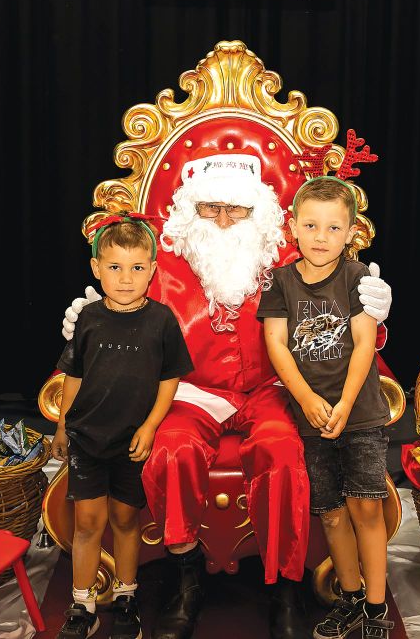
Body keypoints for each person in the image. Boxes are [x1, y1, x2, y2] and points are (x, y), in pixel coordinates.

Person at [61, 149, 394, 639]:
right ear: (188, 212)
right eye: (208, 208)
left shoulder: (291, 256)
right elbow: (125, 311)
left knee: (283, 455)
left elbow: (335, 328)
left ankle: (283, 586)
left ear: (257, 211)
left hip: (271, 391)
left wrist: (376, 316)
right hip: (193, 391)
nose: (221, 219)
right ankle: (187, 575)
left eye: (235, 209)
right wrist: (95, 318)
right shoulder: (159, 263)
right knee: (171, 452)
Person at [258, 176, 393, 639]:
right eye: (311, 225)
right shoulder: (279, 283)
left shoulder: (357, 279)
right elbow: (276, 344)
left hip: (360, 415)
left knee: (366, 509)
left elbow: (363, 344)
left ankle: (377, 608)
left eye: (333, 228)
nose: (321, 237)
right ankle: (351, 597)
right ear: (293, 228)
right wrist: (308, 399)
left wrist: (345, 402)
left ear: (351, 232)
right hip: (311, 416)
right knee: (332, 511)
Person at [52, 214, 194, 639]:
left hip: (132, 442)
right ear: (97, 269)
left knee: (126, 520)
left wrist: (151, 425)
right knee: (87, 523)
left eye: (137, 268)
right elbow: (72, 377)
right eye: (115, 267)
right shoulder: (89, 320)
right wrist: (62, 427)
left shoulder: (163, 321)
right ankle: (83, 606)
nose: (126, 279)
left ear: (152, 270)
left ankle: (127, 596)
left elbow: (170, 378)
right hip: (87, 439)